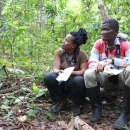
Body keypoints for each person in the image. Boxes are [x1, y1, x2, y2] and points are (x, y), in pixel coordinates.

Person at [84, 18, 130, 129]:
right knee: (88, 73)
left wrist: (112, 61)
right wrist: (98, 67)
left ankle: (125, 113)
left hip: (121, 79)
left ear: (115, 31)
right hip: (105, 77)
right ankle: (96, 109)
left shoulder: (125, 44)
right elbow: (91, 61)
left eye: (106, 29)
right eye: (102, 29)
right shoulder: (99, 44)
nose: (102, 32)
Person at [44, 28, 88, 116]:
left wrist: (70, 73)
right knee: (48, 76)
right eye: (64, 40)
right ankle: (61, 101)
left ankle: (76, 104)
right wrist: (59, 72)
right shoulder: (59, 52)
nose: (63, 42)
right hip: (62, 81)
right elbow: (55, 69)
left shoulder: (82, 55)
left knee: (79, 80)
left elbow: (83, 71)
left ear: (73, 45)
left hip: (74, 83)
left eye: (66, 41)